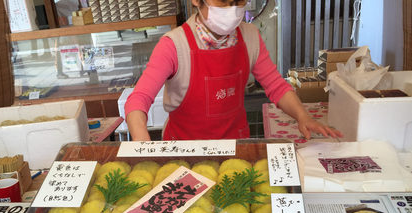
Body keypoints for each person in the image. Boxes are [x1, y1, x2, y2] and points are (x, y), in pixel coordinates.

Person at [124, 0, 342, 141]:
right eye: (223, 2)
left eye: (238, 2)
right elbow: (138, 100)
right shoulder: (173, 45)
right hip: (186, 154)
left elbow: (276, 86)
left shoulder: (250, 36)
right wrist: (144, 147)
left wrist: (302, 116)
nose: (232, 9)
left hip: (235, 148)